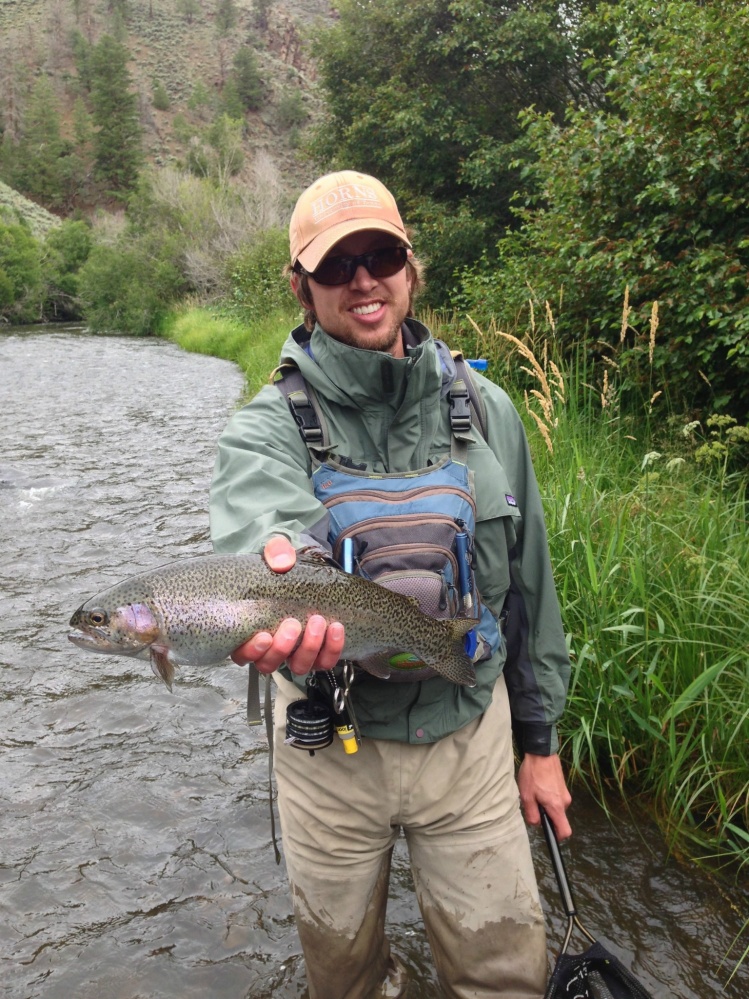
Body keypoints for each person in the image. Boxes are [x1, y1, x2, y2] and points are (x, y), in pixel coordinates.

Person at [210, 170, 572, 999]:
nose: (363, 279)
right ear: (302, 288)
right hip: (329, 753)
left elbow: (529, 591)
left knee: (506, 978)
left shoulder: (488, 412)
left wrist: (540, 746)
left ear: (411, 269)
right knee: (343, 984)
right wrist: (281, 557)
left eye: (381, 255)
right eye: (337, 265)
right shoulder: (264, 427)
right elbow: (257, 518)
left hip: (470, 738)